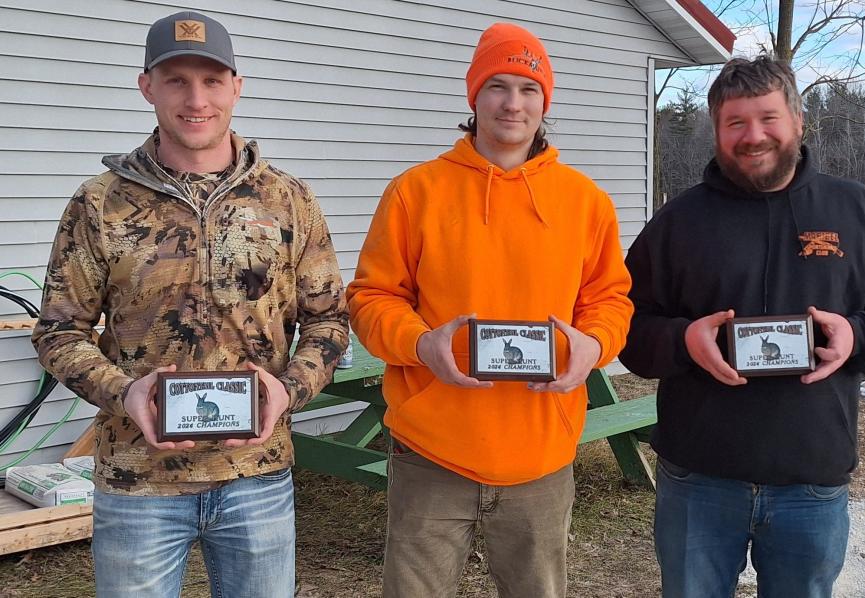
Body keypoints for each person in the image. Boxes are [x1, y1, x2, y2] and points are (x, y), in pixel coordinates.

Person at [32, 10, 348, 598]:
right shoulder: (99, 203)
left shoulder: (288, 200)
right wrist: (123, 392)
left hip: (257, 475)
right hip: (137, 482)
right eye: (176, 79)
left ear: (237, 86)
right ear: (147, 86)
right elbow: (58, 332)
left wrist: (289, 390)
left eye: (211, 79)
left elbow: (328, 320)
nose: (195, 98)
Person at [619, 56, 865, 598]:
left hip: (811, 478)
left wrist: (858, 335)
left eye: (768, 118)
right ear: (717, 130)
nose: (754, 136)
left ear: (797, 120)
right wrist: (682, 341)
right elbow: (624, 325)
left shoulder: (854, 209)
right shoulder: (678, 223)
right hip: (699, 477)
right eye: (736, 123)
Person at [346, 22, 633, 598]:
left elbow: (610, 299)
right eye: (497, 86)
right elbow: (371, 298)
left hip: (542, 452)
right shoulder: (416, 192)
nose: (512, 103)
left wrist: (594, 345)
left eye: (529, 89)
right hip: (432, 451)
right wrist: (421, 343)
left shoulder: (585, 203)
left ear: (545, 102)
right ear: (473, 96)